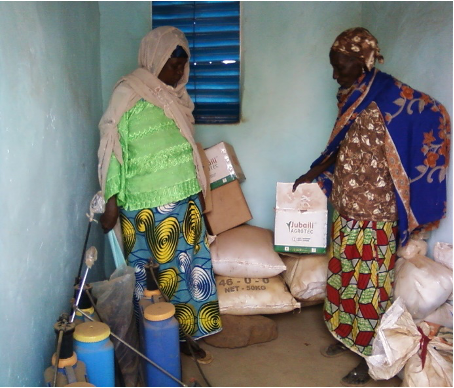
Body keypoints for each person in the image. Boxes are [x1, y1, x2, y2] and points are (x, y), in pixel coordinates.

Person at [293, 27, 450, 386]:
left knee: (370, 289)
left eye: (340, 65)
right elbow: (338, 148)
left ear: (363, 60)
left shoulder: (390, 95)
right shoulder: (353, 95)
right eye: (333, 66)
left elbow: (431, 114)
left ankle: (372, 356)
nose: (335, 74)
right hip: (346, 208)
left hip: (377, 217)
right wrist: (310, 173)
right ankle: (348, 338)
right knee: (343, 278)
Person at [97, 26, 222, 361]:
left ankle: (187, 335)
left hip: (186, 198)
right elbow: (112, 150)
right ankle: (155, 338)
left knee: (191, 268)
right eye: (171, 61)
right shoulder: (128, 92)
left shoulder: (176, 98)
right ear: (153, 58)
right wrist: (110, 201)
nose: (178, 69)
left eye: (182, 62)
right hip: (144, 204)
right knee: (152, 275)